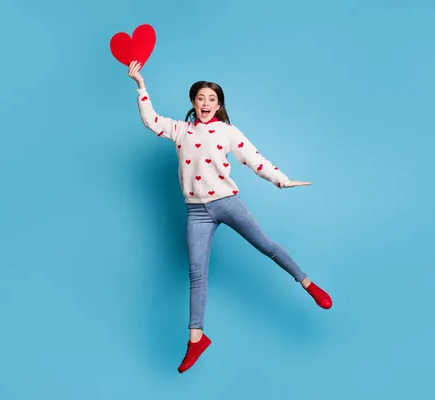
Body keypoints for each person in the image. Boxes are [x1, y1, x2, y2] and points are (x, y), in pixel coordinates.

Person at [127, 61, 332, 374]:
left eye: (212, 99)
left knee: (266, 245)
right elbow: (151, 121)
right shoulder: (181, 130)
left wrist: (282, 179)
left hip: (227, 203)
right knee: (197, 273)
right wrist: (141, 85)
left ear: (219, 104)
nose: (206, 103)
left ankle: (307, 283)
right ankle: (196, 339)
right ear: (193, 102)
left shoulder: (227, 132)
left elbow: (254, 159)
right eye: (200, 98)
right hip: (196, 212)